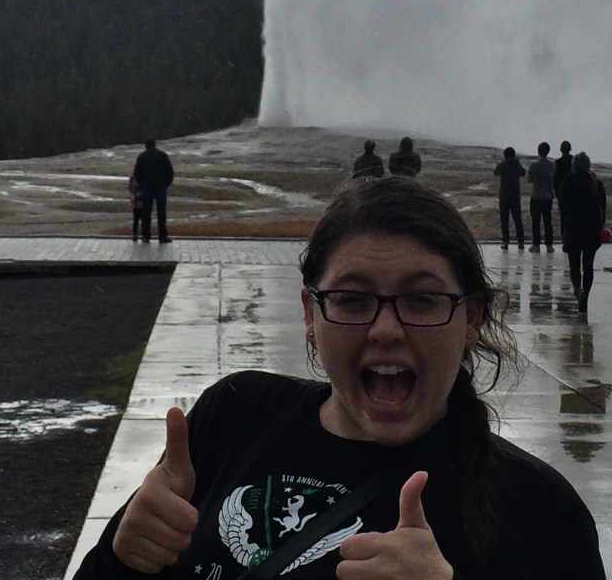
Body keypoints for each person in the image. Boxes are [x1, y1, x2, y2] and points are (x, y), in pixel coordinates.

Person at [72, 177, 604, 580]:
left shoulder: (536, 513)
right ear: (309, 312)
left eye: (422, 299)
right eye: (352, 299)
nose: (386, 329)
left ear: (471, 317)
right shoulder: (234, 415)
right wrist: (122, 557)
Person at [558, 152, 607, 312]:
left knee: (574, 265)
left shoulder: (567, 182)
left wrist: (563, 231)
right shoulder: (595, 182)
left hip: (573, 228)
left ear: (574, 166)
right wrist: (600, 227)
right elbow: (602, 208)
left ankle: (578, 290)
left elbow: (562, 209)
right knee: (588, 265)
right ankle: (585, 293)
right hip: (592, 229)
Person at [133, 138, 174, 244]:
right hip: (160, 185)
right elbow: (170, 172)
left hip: (147, 186)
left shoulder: (142, 157)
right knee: (161, 212)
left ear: (145, 146)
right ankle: (162, 236)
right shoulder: (162, 155)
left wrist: (142, 184)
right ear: (155, 144)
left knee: (146, 212)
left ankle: (146, 236)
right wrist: (165, 184)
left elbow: (137, 173)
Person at [492, 147, 526, 250]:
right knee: (517, 219)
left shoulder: (502, 164)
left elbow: (495, 172)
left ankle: (505, 241)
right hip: (515, 195)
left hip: (504, 195)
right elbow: (523, 173)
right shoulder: (517, 164)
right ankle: (520, 241)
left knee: (504, 219)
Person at [527, 141, 555, 253]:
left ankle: (536, 244)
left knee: (536, 221)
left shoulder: (534, 165)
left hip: (536, 196)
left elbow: (529, 179)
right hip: (548, 196)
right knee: (548, 221)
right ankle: (549, 245)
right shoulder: (552, 165)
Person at [128, 173, 145, 242]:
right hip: (140, 200)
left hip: (137, 200)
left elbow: (130, 188)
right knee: (140, 218)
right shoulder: (143, 177)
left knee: (137, 219)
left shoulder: (133, 178)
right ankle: (143, 235)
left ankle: (136, 235)